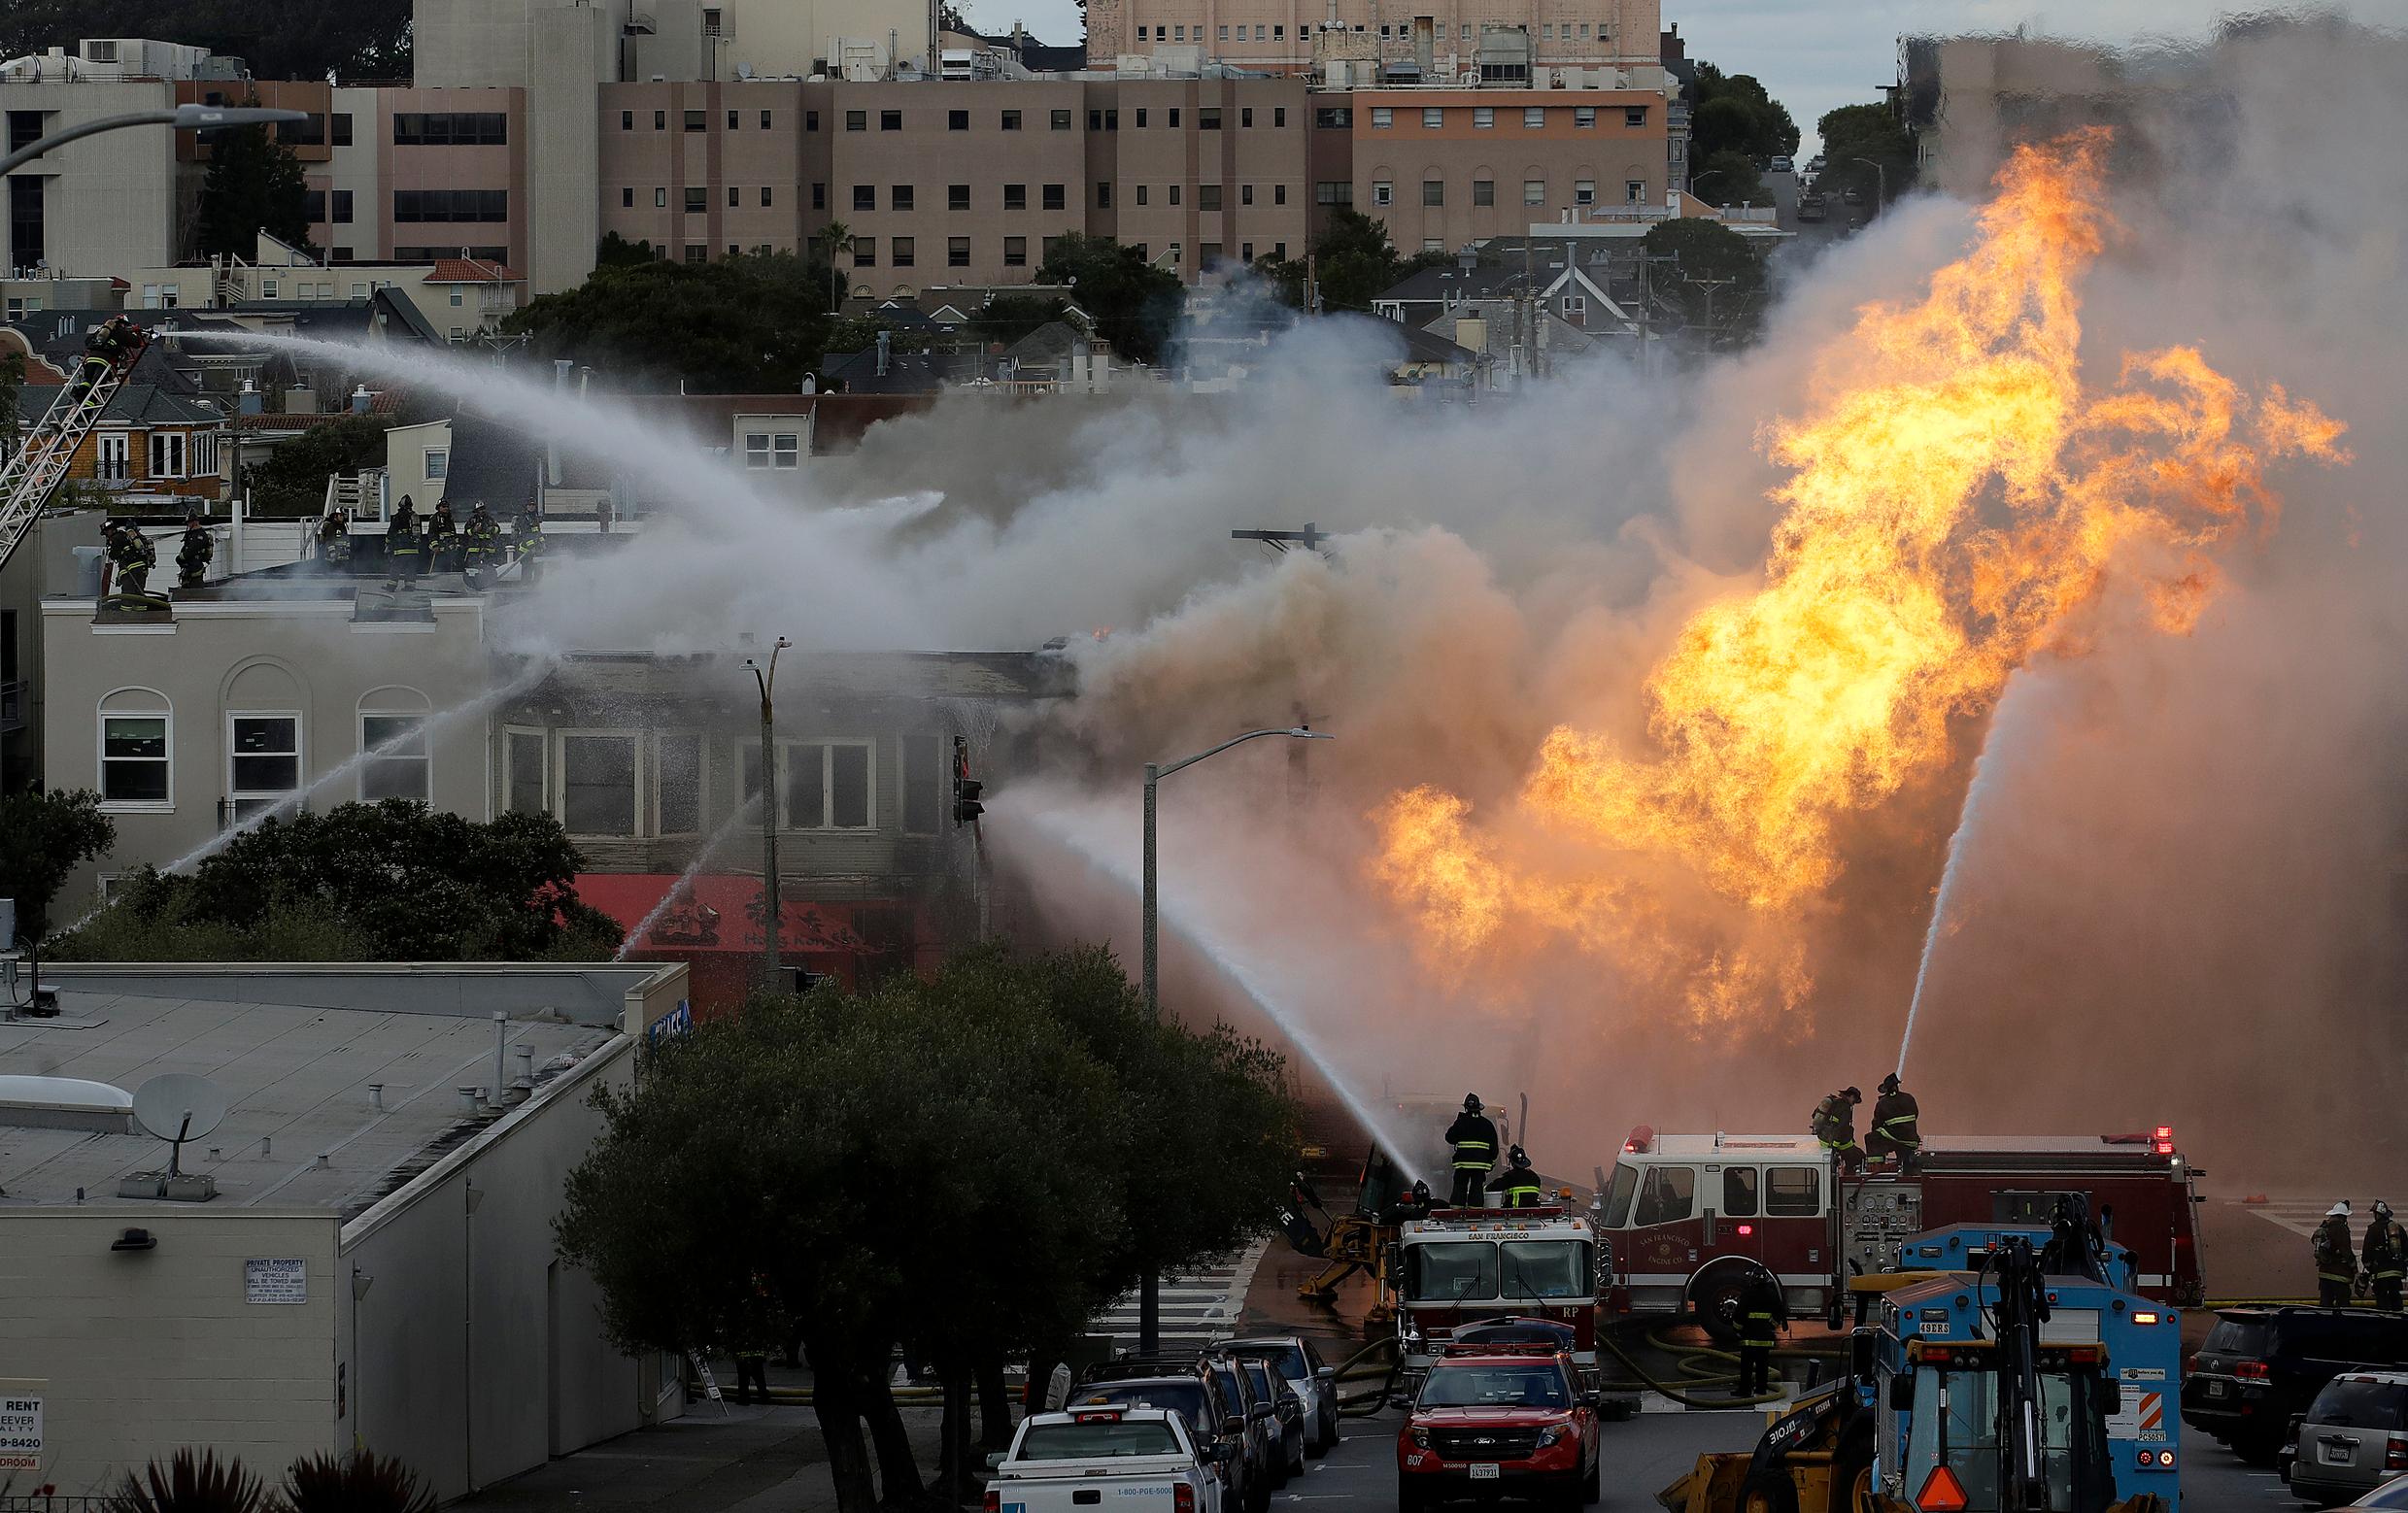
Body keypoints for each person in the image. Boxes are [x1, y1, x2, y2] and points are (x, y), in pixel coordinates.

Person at [1735, 1268, 1785, 1396]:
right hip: (1765, 1338)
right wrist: (1771, 1325)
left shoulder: (1747, 1294)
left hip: (1748, 1338)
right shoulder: (1772, 1294)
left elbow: (1739, 1314)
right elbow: (1779, 1313)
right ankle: (1761, 1389)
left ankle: (1745, 1390)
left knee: (1746, 1366)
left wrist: (1738, 1330)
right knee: (1762, 1365)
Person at [1444, 1094, 1500, 1207]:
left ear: (1465, 1108)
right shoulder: (1487, 1124)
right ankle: (1475, 1211)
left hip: (1463, 1163)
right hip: (1480, 1164)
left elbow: (1449, 1138)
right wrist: (1491, 1159)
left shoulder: (1460, 1122)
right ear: (1479, 1108)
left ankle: (1456, 1210)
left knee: (1460, 1185)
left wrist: (1459, 1123)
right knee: (1477, 1186)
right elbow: (1494, 1147)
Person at [1867, 1073, 1921, 1168]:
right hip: (1911, 1139)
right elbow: (1916, 1114)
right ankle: (1903, 1162)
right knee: (1904, 1161)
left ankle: (1876, 1166)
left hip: (1894, 1138)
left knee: (1871, 1137)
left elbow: (1876, 1123)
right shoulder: (1909, 1098)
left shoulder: (1882, 1103)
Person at [1811, 1087, 1865, 1174]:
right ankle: (1848, 1177)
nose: (1854, 1104)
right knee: (1860, 1156)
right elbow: (1841, 1128)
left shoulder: (1834, 1102)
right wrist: (1835, 1146)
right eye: (1855, 1100)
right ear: (1851, 1096)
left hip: (1823, 1139)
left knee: (1828, 1171)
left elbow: (1814, 1115)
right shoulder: (1845, 1108)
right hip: (1837, 1142)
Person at [2364, 1201, 2405, 1313]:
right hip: (2396, 1272)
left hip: (2380, 1273)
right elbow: (2406, 1249)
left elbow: (2367, 1251)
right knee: (2395, 1296)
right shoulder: (2398, 1228)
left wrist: (2368, 1265)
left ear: (2377, 1214)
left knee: (2381, 1299)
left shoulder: (2373, 1229)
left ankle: (2384, 1324)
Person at [2315, 1202, 2357, 1307]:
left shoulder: (2325, 1226)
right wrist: (2353, 1265)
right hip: (2340, 1276)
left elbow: (2313, 1239)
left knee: (2325, 1304)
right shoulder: (2341, 1228)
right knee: (2343, 1305)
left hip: (2324, 1274)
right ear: (2342, 1216)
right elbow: (2345, 1250)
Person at [1488, 1145, 1543, 1209]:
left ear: (1512, 1162)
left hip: (1514, 1213)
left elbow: (1493, 1187)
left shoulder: (1509, 1176)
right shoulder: (1535, 1177)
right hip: (1533, 1213)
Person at [462, 501, 502, 588]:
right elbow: (466, 533)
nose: (482, 511)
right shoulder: (472, 520)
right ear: (476, 511)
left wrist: (492, 529)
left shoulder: (490, 520)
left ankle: (488, 584)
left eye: (483, 509)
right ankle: (473, 585)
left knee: (488, 569)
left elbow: (498, 530)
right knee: (473, 569)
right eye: (480, 509)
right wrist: (474, 530)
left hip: (488, 549)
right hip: (474, 550)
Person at [385, 508, 424, 589]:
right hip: (414, 549)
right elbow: (420, 532)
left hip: (401, 548)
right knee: (411, 568)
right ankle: (410, 586)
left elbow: (391, 531)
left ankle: (391, 586)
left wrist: (388, 543)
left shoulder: (398, 517)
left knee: (396, 567)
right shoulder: (415, 517)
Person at [175, 514, 213, 590]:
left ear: (195, 522)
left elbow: (191, 551)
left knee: (195, 594)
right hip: (188, 570)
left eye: (189, 522)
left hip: (195, 570)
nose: (188, 525)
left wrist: (179, 558)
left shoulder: (200, 535)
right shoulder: (192, 534)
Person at [427, 500, 460, 573]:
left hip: (449, 550)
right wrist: (435, 545)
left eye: (447, 506)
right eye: (443, 506)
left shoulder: (450, 519)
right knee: (438, 569)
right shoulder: (435, 518)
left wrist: (456, 544)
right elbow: (431, 533)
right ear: (439, 507)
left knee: (449, 569)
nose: (446, 508)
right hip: (439, 551)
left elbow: (453, 533)